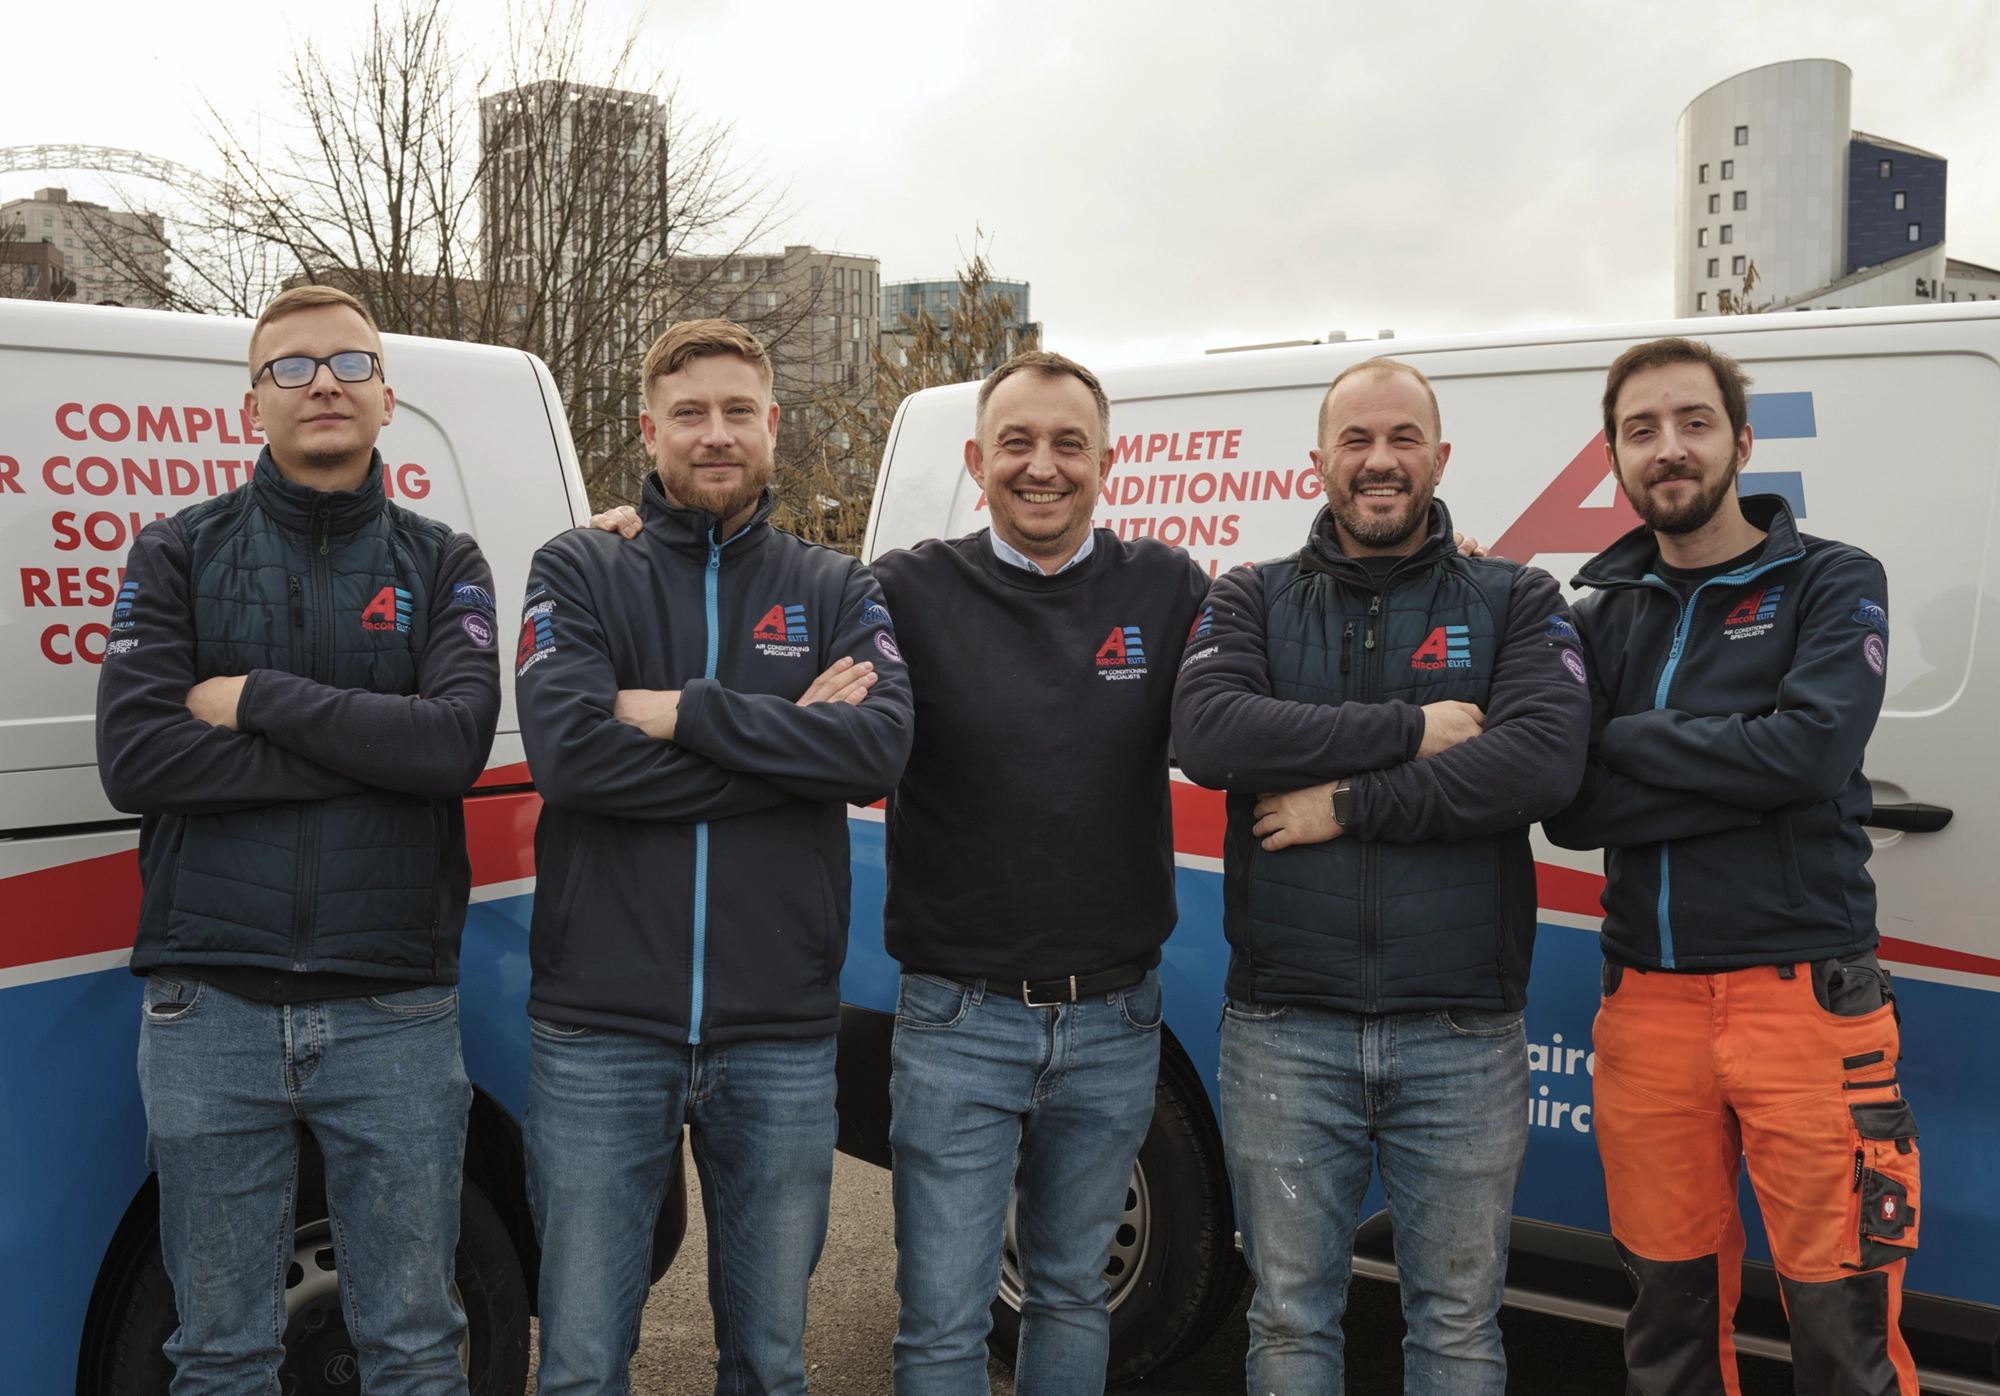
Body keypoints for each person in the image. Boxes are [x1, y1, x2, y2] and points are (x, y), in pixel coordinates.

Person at [587, 348, 1209, 1394]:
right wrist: (646, 539)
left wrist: (1443, 562)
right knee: (942, 1321)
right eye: (1015, 442)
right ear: (975, 460)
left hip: (1115, 1015)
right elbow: (769, 616)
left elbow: (1283, 643)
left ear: (1107, 461)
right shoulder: (906, 589)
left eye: (1069, 443)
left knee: (1069, 1296)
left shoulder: (1169, 586)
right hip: (958, 1018)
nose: (1042, 465)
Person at [96, 284, 502, 1395]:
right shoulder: (176, 552)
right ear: (251, 406)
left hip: (394, 1009)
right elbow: (140, 760)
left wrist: (256, 697)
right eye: (292, 367)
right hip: (210, 1009)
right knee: (219, 1353)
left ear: (386, 399)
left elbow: (451, 747)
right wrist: (376, 747)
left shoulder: (444, 562)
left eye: (349, 364)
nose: (323, 383)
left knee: (415, 1344)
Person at [1171, 357, 1590, 1396]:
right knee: (1288, 1321)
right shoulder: (1249, 596)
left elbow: (1538, 764)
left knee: (1456, 1328)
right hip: (1285, 1029)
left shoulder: (1516, 597)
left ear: (1439, 456)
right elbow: (1210, 733)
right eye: (1355, 439)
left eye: (1402, 438)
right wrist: (1408, 729)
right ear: (1317, 460)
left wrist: (1346, 803)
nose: (1379, 460)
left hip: (1460, 1034)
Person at [517, 319, 913, 1396]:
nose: (716, 433)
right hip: (600, 1029)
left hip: (778, 1030)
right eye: (688, 413)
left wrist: (683, 712)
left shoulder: (835, 586)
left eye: (739, 410)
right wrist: (789, 753)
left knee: (770, 1363)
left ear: (772, 425)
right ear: (649, 432)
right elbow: (573, 759)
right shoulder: (578, 566)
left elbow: (876, 750)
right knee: (582, 1362)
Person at [1544, 337, 1916, 1395]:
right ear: (1614, 459)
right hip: (1646, 1011)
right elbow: (1569, 810)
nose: (1669, 447)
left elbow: (1809, 754)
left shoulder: (1831, 579)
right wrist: (1744, 763)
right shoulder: (1595, 617)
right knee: (1666, 1338)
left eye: (1693, 422)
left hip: (1802, 1005)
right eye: (1641, 430)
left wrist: (1624, 737)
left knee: (1844, 1346)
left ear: (1741, 443)